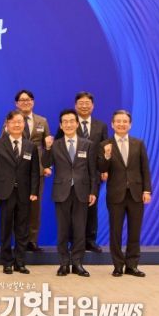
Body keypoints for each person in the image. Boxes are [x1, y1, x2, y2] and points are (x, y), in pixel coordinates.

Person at [42, 109, 98, 277]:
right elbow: (45, 163)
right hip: (62, 191)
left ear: (77, 123)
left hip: (82, 191)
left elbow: (93, 171)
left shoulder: (87, 144)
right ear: (61, 125)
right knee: (63, 229)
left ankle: (77, 263)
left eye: (71, 121)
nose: (68, 124)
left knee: (80, 229)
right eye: (65, 122)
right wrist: (47, 148)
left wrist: (93, 191)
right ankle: (64, 263)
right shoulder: (56, 144)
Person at [0, 110, 40, 274]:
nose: (17, 125)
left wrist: (34, 191)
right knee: (6, 227)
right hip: (5, 191)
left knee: (22, 228)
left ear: (24, 124)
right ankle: (7, 262)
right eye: (13, 122)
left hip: (24, 192)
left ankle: (20, 262)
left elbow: (34, 171)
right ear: (7, 125)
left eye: (20, 122)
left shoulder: (30, 146)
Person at [98, 110, 152, 278]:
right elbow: (101, 168)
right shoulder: (105, 144)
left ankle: (132, 265)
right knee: (115, 232)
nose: (121, 124)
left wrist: (147, 190)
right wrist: (107, 155)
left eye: (125, 121)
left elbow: (145, 169)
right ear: (112, 124)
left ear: (130, 124)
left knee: (134, 231)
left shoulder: (138, 143)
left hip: (136, 194)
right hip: (116, 194)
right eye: (118, 121)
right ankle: (117, 265)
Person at [55, 91, 109, 253]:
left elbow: (104, 148)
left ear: (93, 106)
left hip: (93, 173)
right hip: (72, 175)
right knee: (72, 211)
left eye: (87, 103)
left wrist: (104, 169)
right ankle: (74, 241)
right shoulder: (68, 123)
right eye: (81, 103)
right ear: (75, 105)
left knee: (91, 208)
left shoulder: (101, 126)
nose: (84, 106)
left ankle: (90, 240)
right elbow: (58, 145)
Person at [5, 90, 49, 252]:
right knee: (15, 208)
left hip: (37, 171)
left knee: (35, 208)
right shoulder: (10, 120)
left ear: (33, 102)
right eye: (22, 100)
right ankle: (17, 241)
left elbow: (47, 145)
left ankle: (32, 240)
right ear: (16, 103)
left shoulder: (42, 121)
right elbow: (4, 145)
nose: (26, 102)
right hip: (16, 171)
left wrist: (47, 166)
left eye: (29, 99)